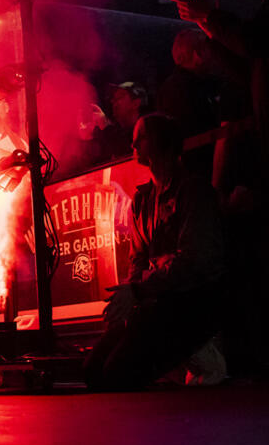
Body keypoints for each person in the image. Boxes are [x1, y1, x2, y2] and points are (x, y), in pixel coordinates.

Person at [84, 114, 227, 390]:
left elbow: (195, 263)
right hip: (158, 300)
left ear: (162, 141)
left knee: (118, 374)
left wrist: (138, 290)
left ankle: (199, 351)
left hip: (193, 302)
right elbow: (137, 258)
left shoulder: (192, 190)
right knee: (92, 372)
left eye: (142, 136)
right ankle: (174, 358)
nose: (133, 142)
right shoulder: (144, 199)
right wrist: (131, 297)